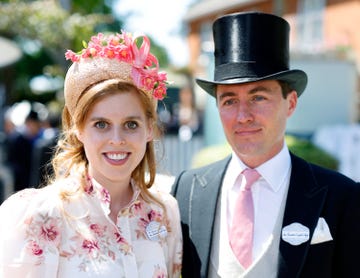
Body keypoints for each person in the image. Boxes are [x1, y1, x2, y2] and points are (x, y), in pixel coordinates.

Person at [171, 11, 360, 278]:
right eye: (229, 101)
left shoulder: (342, 197)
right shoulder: (187, 190)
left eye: (258, 97)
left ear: (291, 103)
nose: (243, 115)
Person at [0, 30, 182, 277]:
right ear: (78, 129)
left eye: (131, 124)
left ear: (149, 129)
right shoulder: (39, 214)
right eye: (101, 124)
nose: (117, 140)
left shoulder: (165, 212)